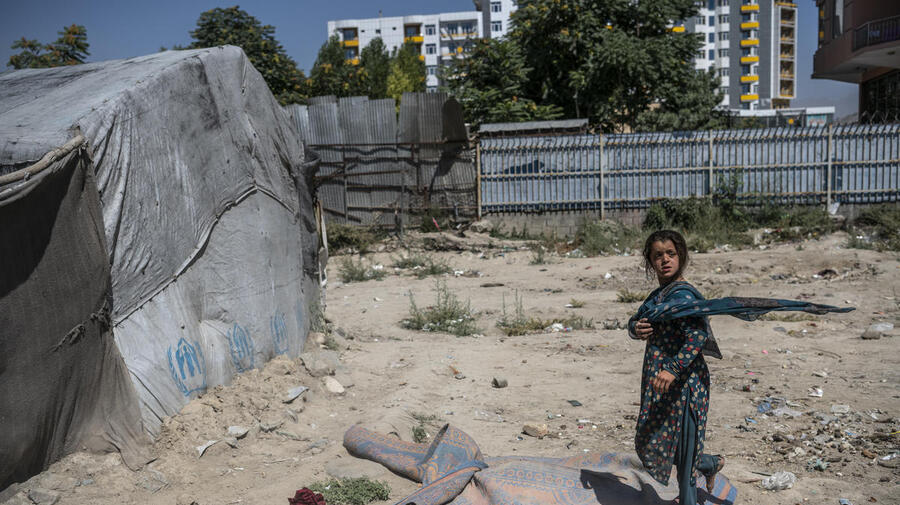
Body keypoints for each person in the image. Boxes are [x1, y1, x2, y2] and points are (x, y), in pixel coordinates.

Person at [628, 230, 724, 505]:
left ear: (681, 256)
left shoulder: (684, 295)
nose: (665, 260)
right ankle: (709, 463)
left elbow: (697, 336)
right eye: (658, 255)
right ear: (650, 261)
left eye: (671, 254)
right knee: (654, 442)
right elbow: (635, 320)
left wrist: (672, 369)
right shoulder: (657, 297)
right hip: (661, 384)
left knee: (685, 468)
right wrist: (635, 328)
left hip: (687, 384)